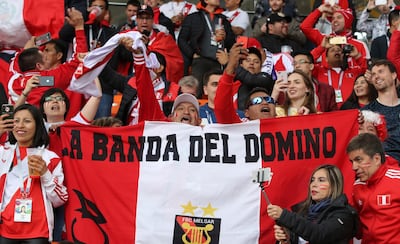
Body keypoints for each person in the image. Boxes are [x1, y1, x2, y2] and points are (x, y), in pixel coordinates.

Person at [0, 104, 68, 242]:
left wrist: (45, 173)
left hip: (38, 231)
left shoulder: (50, 158)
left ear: (38, 125)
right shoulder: (3, 153)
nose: (20, 125)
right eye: (16, 121)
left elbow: (60, 199)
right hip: (5, 229)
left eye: (27, 121)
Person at [7, 8, 86, 108]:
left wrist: (56, 33)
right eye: (44, 56)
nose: (45, 53)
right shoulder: (46, 80)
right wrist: (79, 28)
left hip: (18, 121)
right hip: (41, 122)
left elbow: (31, 44)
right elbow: (79, 60)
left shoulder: (14, 76)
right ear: (39, 65)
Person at [267, 164, 358, 244]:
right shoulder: (302, 212)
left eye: (321, 180)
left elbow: (318, 234)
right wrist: (286, 240)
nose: (314, 184)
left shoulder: (343, 215)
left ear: (334, 185)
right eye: (312, 180)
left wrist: (284, 216)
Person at [346, 133, 400, 243]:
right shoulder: (357, 186)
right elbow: (357, 229)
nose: (354, 167)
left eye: (359, 160)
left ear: (376, 158)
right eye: (352, 162)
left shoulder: (397, 180)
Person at [178, 0, 235, 91]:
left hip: (219, 61)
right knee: (197, 90)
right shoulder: (193, 17)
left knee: (219, 91)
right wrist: (192, 54)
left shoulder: (223, 19)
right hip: (200, 60)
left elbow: (231, 43)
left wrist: (225, 37)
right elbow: (182, 39)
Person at [214, 43, 276, 123]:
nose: (252, 63)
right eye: (248, 60)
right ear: (240, 64)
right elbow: (221, 107)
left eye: (256, 61)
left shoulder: (265, 79)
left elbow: (251, 80)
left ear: (261, 67)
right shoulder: (230, 83)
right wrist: (230, 66)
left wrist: (228, 64)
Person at [300, 4, 370, 70]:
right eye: (333, 18)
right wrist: (320, 10)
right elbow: (304, 27)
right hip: (325, 80)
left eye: (339, 17)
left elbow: (366, 69)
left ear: (348, 21)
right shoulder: (325, 40)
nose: (334, 20)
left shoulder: (360, 45)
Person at [362, 59, 400, 162]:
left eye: (381, 71)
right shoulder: (366, 113)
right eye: (373, 74)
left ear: (393, 75)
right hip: (384, 165)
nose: (376, 76)